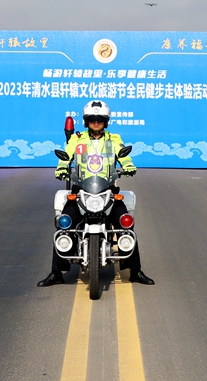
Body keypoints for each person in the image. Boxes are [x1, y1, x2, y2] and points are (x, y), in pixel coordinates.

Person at [38, 100, 154, 287]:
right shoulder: (77, 139)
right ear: (86, 121)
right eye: (92, 119)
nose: (96, 122)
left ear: (106, 121)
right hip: (81, 189)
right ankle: (56, 273)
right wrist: (61, 168)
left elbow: (123, 155)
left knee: (125, 223)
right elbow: (67, 156)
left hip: (107, 189)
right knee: (64, 223)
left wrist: (129, 166)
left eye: (100, 119)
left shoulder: (113, 139)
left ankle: (135, 271)